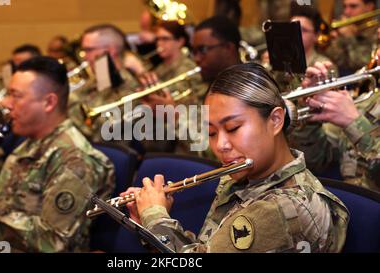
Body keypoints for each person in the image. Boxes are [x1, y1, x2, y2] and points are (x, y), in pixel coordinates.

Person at [122, 63, 349, 253]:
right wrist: (148, 224)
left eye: (233, 128)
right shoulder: (248, 177)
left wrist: (156, 218)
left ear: (276, 120)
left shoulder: (283, 206)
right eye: (211, 133)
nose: (220, 145)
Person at [0, 57, 115, 252]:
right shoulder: (25, 148)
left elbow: (53, 244)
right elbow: (1, 235)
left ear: (48, 102)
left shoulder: (75, 159)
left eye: (15, 95)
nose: (6, 104)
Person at [290, 61, 380, 192]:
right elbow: (315, 161)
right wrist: (311, 105)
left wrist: (354, 123)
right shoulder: (368, 99)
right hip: (348, 200)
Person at [137, 20, 206, 154]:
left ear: (180, 41)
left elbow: (189, 106)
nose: (159, 44)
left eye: (165, 39)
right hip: (159, 132)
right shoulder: (159, 68)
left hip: (181, 135)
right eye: (157, 39)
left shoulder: (188, 69)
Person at [68, 24, 140, 142]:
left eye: (89, 50)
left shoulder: (130, 87)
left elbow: (99, 134)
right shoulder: (94, 81)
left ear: (110, 51)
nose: (85, 57)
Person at [324, 0, 378, 74]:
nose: (346, 12)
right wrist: (335, 41)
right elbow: (334, 61)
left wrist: (349, 37)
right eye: (344, 6)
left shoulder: (376, 33)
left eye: (353, 6)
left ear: (369, 7)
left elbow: (363, 65)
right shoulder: (343, 30)